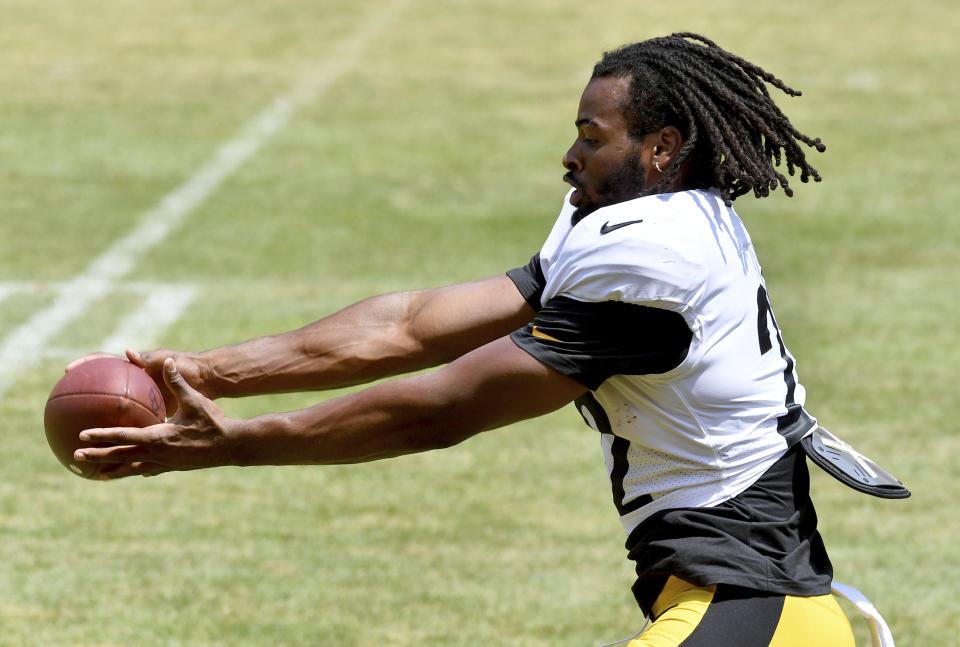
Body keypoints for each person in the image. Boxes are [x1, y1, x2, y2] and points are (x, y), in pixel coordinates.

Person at [72, 33, 860, 646]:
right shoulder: (651, 221)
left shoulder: (649, 254)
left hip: (751, 608)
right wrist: (210, 372)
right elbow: (413, 326)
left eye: (592, 135)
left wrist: (236, 444)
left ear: (659, 147)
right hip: (736, 605)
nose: (570, 154)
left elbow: (442, 408)